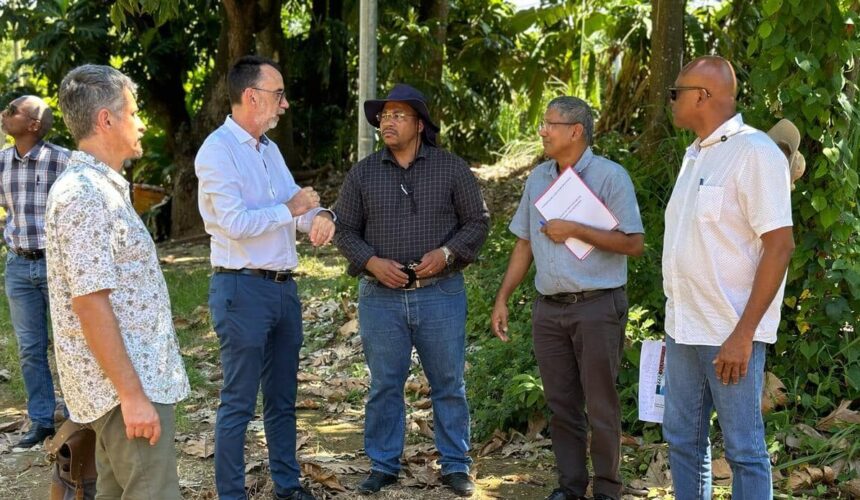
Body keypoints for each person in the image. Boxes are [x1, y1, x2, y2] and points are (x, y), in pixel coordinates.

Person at [333, 83, 489, 497]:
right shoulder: (363, 173)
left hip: (440, 293)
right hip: (380, 298)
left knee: (448, 383)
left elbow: (478, 221)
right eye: (384, 115)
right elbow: (343, 230)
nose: (388, 121)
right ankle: (383, 464)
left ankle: (455, 465)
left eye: (398, 115)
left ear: (420, 124)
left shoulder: (451, 168)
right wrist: (371, 262)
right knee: (385, 384)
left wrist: (447, 253)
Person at [46, 64, 190, 497]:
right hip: (124, 390)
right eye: (134, 112)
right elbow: (90, 303)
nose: (142, 123)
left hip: (124, 388)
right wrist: (132, 396)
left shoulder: (96, 188)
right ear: (105, 120)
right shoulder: (85, 195)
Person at [491, 96, 644, 500]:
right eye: (542, 124)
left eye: (550, 124)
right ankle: (570, 486)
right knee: (561, 404)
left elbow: (633, 244)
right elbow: (524, 242)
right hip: (549, 309)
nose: (542, 131)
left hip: (597, 306)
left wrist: (576, 229)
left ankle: (607, 489)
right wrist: (503, 297)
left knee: (601, 404)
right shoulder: (538, 178)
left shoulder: (611, 177)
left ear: (576, 131)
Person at [195, 55, 334, 500]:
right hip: (241, 289)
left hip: (282, 289)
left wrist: (319, 217)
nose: (285, 104)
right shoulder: (217, 151)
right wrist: (290, 210)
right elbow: (234, 223)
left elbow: (296, 206)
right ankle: (232, 494)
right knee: (238, 401)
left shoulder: (269, 149)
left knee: (282, 398)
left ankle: (287, 486)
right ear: (251, 97)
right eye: (278, 95)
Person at [661, 55, 795, 500]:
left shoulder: (754, 151)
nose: (671, 100)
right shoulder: (695, 155)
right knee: (682, 441)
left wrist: (743, 334)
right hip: (684, 328)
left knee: (743, 450)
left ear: (702, 96)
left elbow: (780, 246)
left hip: (730, 332)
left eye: (676, 92)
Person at [0, 95, 69, 449]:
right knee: (30, 348)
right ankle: (41, 420)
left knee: (69, 342)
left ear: (33, 124)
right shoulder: (1, 162)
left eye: (12, 110)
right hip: (18, 266)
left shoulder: (63, 161)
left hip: (58, 266)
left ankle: (76, 416)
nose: (4, 113)